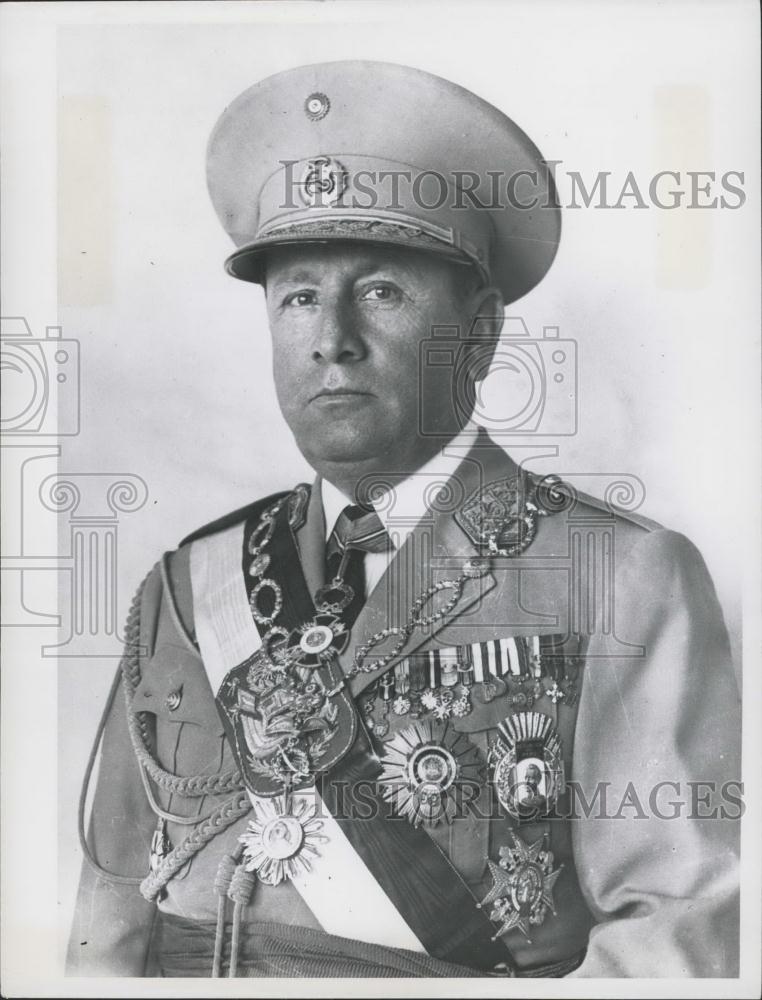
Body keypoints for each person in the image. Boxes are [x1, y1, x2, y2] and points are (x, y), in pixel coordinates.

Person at [67, 60, 740, 979]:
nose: (331, 335)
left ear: (483, 330)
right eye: (299, 294)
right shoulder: (187, 585)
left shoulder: (618, 574)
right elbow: (110, 902)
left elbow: (676, 939)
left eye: (381, 290)